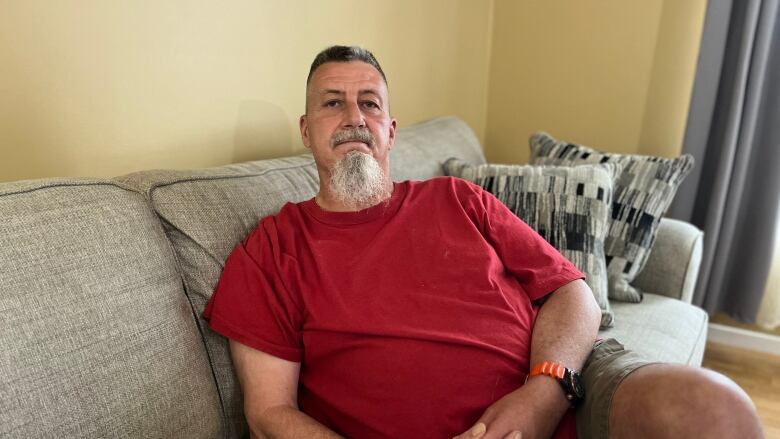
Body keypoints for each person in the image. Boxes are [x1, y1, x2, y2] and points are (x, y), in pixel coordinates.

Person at [203, 45, 763, 439]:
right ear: (306, 131)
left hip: (565, 384)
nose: (354, 117)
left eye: (370, 103)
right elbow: (269, 415)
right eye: (332, 102)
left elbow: (572, 291)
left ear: (391, 130)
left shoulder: (457, 198)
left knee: (715, 409)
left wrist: (544, 392)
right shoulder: (272, 249)